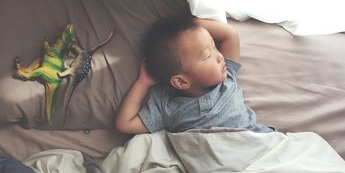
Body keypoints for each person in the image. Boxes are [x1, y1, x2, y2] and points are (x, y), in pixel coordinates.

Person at [115, 15, 274, 134]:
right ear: (181, 82)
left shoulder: (226, 77)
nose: (219, 56)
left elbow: (229, 34)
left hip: (254, 143)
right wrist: (143, 83)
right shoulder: (166, 105)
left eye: (214, 46)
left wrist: (185, 24)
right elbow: (125, 124)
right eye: (207, 55)